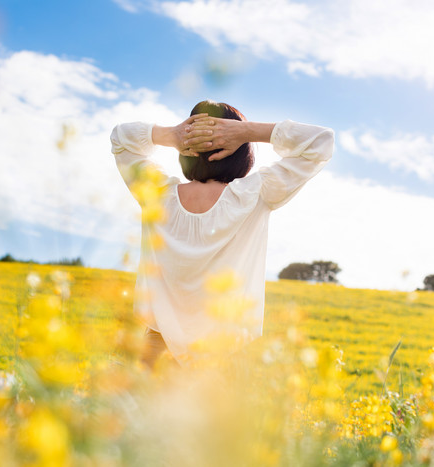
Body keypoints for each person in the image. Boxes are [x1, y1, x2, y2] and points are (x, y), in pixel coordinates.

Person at [110, 100, 334, 368]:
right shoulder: (255, 194)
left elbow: (121, 140)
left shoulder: (156, 193)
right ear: (242, 152)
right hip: (225, 356)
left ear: (186, 149)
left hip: (156, 351)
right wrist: (247, 132)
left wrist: (171, 135)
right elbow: (321, 141)